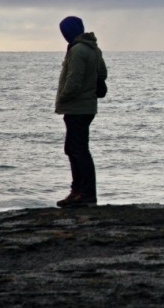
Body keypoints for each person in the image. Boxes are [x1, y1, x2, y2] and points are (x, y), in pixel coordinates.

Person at [55, 16, 107, 208]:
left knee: (77, 150)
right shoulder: (94, 48)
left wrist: (63, 97)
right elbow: (103, 74)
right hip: (86, 106)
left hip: (77, 107)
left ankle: (83, 193)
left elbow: (74, 80)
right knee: (75, 149)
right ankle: (79, 192)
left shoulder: (77, 50)